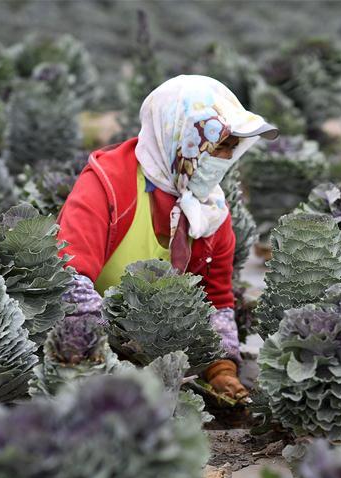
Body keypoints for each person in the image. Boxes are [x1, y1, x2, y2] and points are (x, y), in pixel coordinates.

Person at [56, 75, 278, 400]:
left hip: (160, 362)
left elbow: (216, 300)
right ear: (180, 137)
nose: (225, 159)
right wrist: (110, 359)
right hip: (88, 349)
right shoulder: (108, 187)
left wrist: (221, 369)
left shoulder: (210, 211)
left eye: (232, 148)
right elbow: (69, 279)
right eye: (218, 146)